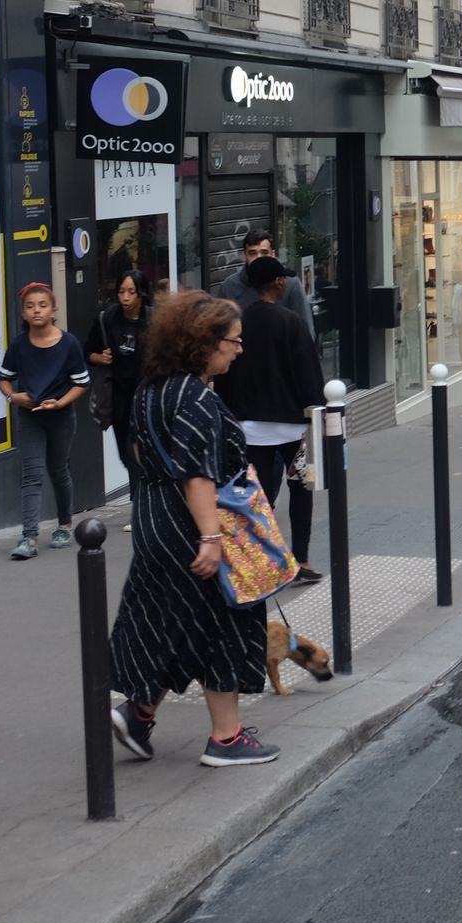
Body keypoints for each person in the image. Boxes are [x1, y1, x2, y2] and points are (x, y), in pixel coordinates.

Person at [108, 291, 280, 768]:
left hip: (153, 517)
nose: (239, 349)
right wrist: (211, 536)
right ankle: (226, 739)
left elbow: (141, 455)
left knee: (174, 619)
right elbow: (196, 473)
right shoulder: (196, 398)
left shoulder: (152, 389)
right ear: (205, 343)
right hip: (191, 524)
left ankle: (139, 716)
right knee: (226, 621)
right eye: (233, 341)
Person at [213, 256, 326, 585]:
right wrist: (317, 412)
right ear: (278, 283)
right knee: (301, 490)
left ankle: (259, 562)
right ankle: (300, 558)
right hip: (292, 427)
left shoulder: (241, 323)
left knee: (256, 497)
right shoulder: (291, 322)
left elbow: (226, 376)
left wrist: (230, 417)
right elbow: (309, 375)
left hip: (250, 429)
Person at [0, 282, 92, 558]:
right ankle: (28, 537)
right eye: (30, 307)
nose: (36, 311)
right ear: (23, 314)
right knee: (32, 474)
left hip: (61, 416)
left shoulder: (69, 344)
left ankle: (64, 524)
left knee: (58, 469)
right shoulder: (18, 345)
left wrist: (61, 402)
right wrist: (15, 398)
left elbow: (82, 382)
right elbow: (4, 379)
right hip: (30, 416)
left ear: (53, 310)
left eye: (42, 305)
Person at [87, 269, 154, 486]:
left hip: (146, 396)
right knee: (126, 456)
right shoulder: (107, 318)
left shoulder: (154, 319)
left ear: (141, 293)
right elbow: (88, 351)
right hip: (118, 398)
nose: (125, 297)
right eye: (121, 291)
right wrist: (100, 357)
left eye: (131, 292)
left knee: (141, 452)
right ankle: (140, 495)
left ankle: (139, 503)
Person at [214, 230, 314, 337]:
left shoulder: (290, 283)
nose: (259, 258)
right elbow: (221, 334)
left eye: (264, 253)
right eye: (252, 253)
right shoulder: (229, 287)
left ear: (273, 254)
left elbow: (306, 330)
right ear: (244, 256)